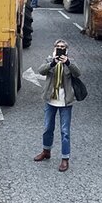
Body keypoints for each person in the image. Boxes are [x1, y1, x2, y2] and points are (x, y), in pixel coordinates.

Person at [34, 39, 81, 172]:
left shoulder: (70, 61)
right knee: (47, 127)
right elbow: (41, 71)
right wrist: (53, 63)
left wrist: (67, 62)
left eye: (63, 47)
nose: (60, 48)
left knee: (65, 131)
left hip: (65, 102)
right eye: (58, 46)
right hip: (50, 100)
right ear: (54, 48)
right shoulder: (50, 60)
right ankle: (46, 151)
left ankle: (65, 159)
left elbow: (78, 72)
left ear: (66, 50)